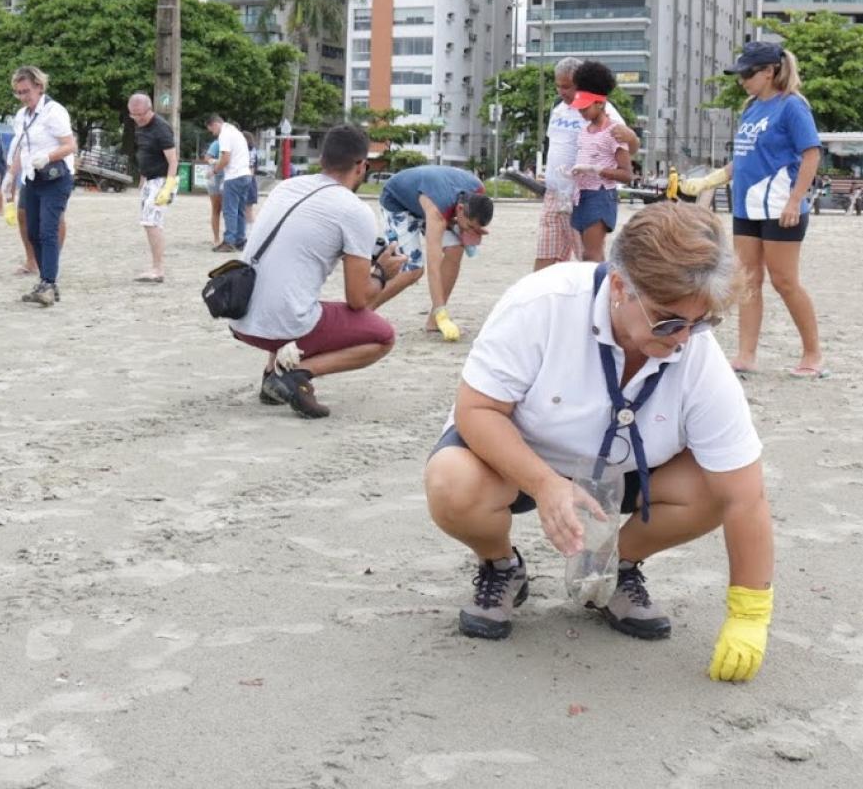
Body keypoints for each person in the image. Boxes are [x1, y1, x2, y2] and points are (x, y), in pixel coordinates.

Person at [423, 202, 773, 682]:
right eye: (668, 321)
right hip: (520, 460)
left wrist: (749, 612)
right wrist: (545, 485)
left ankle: (615, 568)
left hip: (628, 471)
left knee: (714, 487)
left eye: (701, 322)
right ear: (619, 286)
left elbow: (745, 495)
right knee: (452, 482)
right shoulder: (540, 303)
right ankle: (500, 564)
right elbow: (476, 411)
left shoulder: (696, 354)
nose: (684, 340)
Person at [229, 124, 403, 419]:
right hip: (279, 325)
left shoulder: (286, 187)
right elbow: (358, 300)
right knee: (383, 336)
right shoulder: (354, 210)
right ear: (362, 166)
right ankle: (297, 375)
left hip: (239, 315)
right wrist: (382, 273)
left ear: (322, 159)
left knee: (294, 287)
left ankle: (272, 374)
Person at [682, 40, 825, 379]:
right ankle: (746, 355)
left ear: (769, 71)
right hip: (747, 207)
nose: (742, 79)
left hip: (779, 207)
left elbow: (811, 154)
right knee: (748, 281)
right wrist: (710, 180)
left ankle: (813, 354)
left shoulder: (792, 106)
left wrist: (795, 201)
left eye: (747, 73)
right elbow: (745, 157)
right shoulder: (751, 107)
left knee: (785, 281)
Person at [535, 58, 640, 271]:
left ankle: (600, 298)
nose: (561, 91)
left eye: (567, 86)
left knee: (589, 257)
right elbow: (556, 145)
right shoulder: (558, 108)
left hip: (584, 192)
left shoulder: (602, 110)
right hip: (555, 193)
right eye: (558, 85)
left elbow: (628, 148)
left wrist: (632, 137)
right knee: (546, 256)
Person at [376, 165, 494, 341]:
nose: (470, 230)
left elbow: (461, 222)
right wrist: (442, 313)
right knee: (413, 270)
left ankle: (433, 321)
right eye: (469, 226)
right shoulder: (438, 212)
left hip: (428, 199)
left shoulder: (478, 192)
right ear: (460, 209)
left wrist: (469, 230)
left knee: (455, 249)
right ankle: (364, 310)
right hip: (398, 202)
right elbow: (434, 264)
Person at [6, 66, 78, 307]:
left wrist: (48, 156)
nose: (23, 96)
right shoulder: (21, 115)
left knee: (48, 230)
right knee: (32, 232)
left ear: (39, 86)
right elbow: (20, 149)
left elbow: (70, 145)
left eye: (26, 91)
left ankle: (48, 282)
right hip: (31, 178)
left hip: (55, 178)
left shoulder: (53, 111)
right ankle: (46, 282)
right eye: (18, 93)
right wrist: (11, 177)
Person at [568, 61, 635, 263]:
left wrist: (597, 170)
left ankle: (598, 291)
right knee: (584, 255)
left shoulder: (614, 132)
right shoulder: (583, 131)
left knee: (592, 255)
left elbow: (627, 175)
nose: (581, 113)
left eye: (585, 108)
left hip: (601, 194)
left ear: (600, 103)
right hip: (581, 195)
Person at [127, 92, 179, 282]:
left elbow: (173, 160)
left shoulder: (161, 128)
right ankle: (156, 267)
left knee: (151, 222)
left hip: (163, 179)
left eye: (141, 114)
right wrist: (142, 178)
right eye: (134, 115)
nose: (138, 119)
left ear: (150, 109)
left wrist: (168, 187)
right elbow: (144, 153)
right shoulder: (139, 127)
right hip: (149, 180)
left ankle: (158, 269)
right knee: (148, 222)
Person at [207, 113, 253, 252]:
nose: (213, 133)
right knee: (240, 210)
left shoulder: (225, 134)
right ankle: (240, 239)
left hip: (234, 176)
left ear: (215, 124)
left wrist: (214, 171)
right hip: (246, 175)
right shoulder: (236, 132)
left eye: (212, 130)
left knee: (229, 210)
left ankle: (229, 241)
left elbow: (226, 158)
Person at [205, 138, 225, 246]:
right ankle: (216, 238)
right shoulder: (217, 143)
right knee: (216, 208)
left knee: (228, 210)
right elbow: (207, 157)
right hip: (215, 177)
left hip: (228, 178)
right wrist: (218, 161)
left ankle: (228, 237)